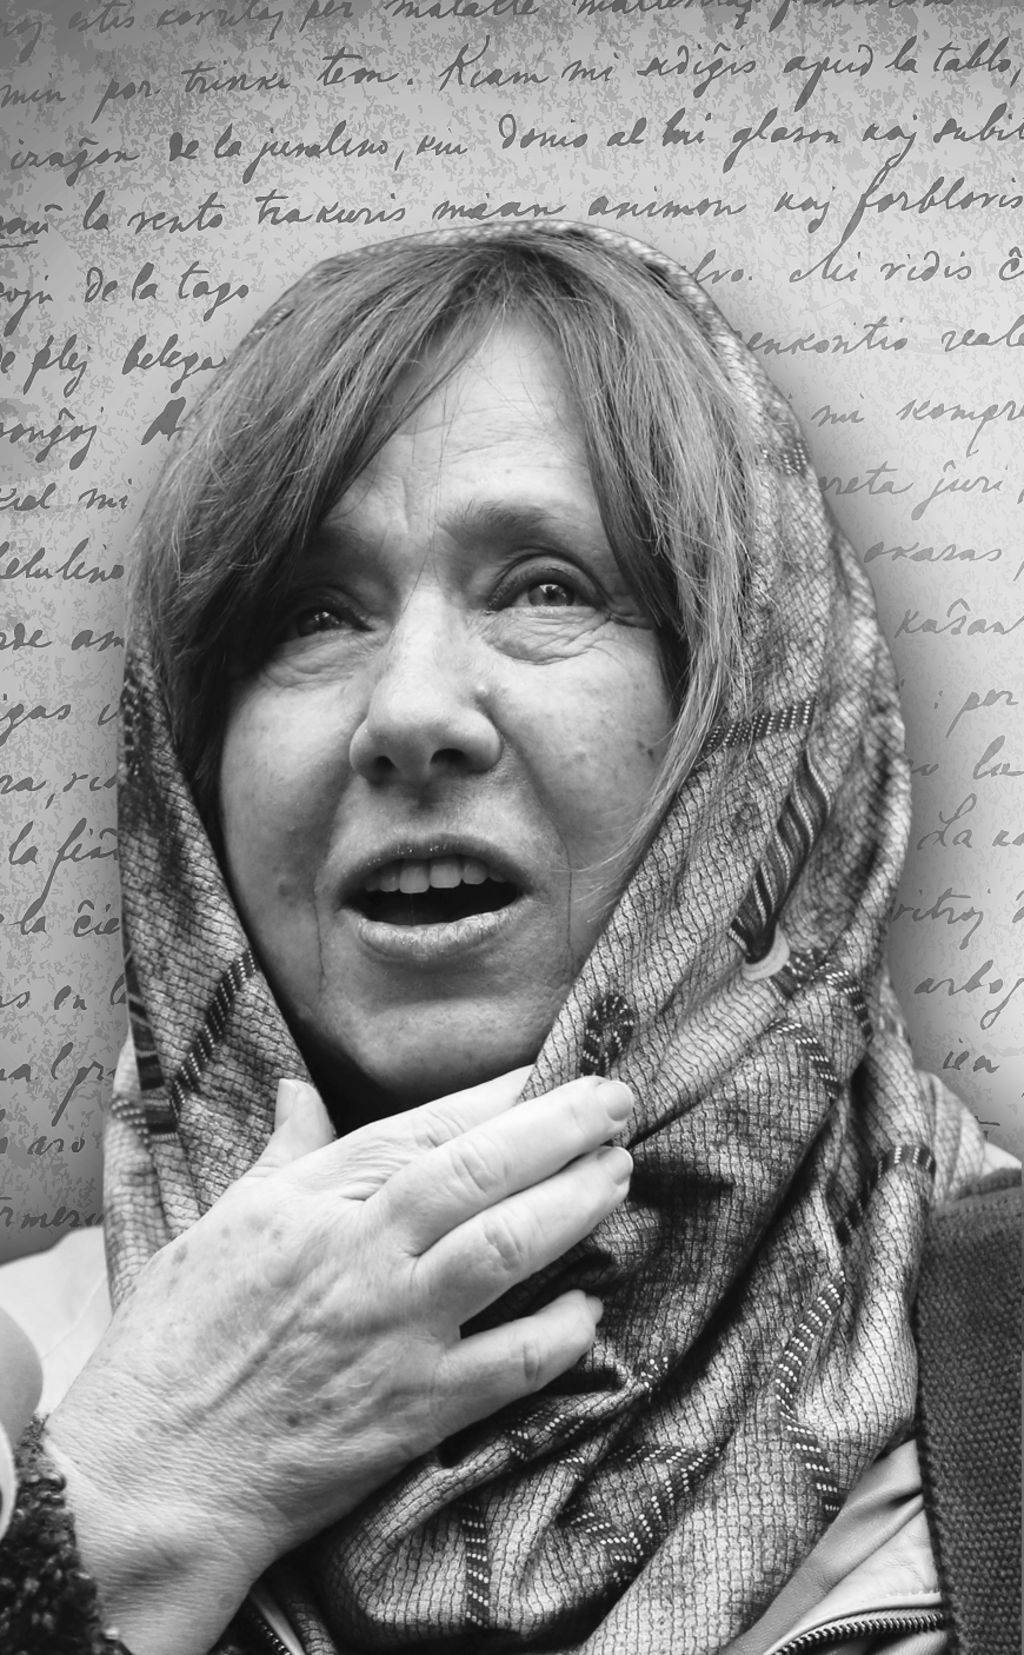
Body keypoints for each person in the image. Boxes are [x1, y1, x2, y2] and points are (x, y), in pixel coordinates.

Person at [0, 223, 1018, 1655]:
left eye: (547, 587)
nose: (413, 712)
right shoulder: (28, 1390)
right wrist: (115, 1514)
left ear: (755, 713)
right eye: (312, 615)